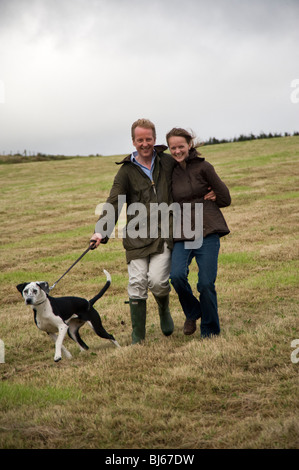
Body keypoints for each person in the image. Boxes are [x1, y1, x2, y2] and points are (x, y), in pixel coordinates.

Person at [90, 119, 175, 344]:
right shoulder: (126, 171)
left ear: (154, 139)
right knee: (137, 283)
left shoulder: (167, 162)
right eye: (140, 140)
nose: (144, 144)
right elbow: (114, 202)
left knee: (157, 281)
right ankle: (139, 334)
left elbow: (191, 176)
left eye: (148, 139)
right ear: (133, 141)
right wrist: (101, 232)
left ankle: (163, 308)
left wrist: (210, 193)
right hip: (137, 237)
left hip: (164, 233)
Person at [166, 127, 231, 338]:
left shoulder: (204, 167)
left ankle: (210, 331)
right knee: (176, 276)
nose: (177, 151)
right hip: (182, 232)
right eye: (172, 147)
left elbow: (225, 198)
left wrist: (214, 196)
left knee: (205, 283)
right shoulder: (169, 171)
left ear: (189, 145)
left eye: (181, 146)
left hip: (208, 229)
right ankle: (194, 311)